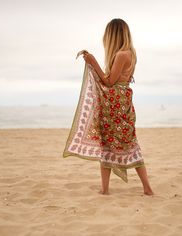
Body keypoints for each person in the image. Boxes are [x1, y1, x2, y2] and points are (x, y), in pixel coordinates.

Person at [63, 18, 154, 196]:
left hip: (114, 104)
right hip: (124, 101)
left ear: (113, 36)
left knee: (107, 145)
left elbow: (110, 82)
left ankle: (106, 190)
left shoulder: (121, 55)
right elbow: (119, 80)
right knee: (129, 143)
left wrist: (93, 62)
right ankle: (146, 188)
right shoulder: (131, 53)